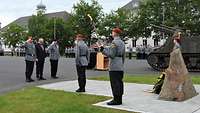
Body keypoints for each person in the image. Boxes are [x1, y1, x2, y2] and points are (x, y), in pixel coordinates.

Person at [159, 32, 198, 101]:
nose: (176, 37)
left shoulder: (177, 43)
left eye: (176, 36)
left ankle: (179, 95)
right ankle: (178, 95)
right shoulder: (176, 43)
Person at [99, 28, 125, 105]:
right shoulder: (122, 42)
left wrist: (102, 51)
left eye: (112, 32)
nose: (112, 33)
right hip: (120, 64)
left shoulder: (114, 42)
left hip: (114, 65)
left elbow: (111, 55)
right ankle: (119, 99)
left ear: (115, 33)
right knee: (119, 82)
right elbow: (123, 55)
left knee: (115, 83)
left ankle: (116, 100)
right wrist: (104, 48)